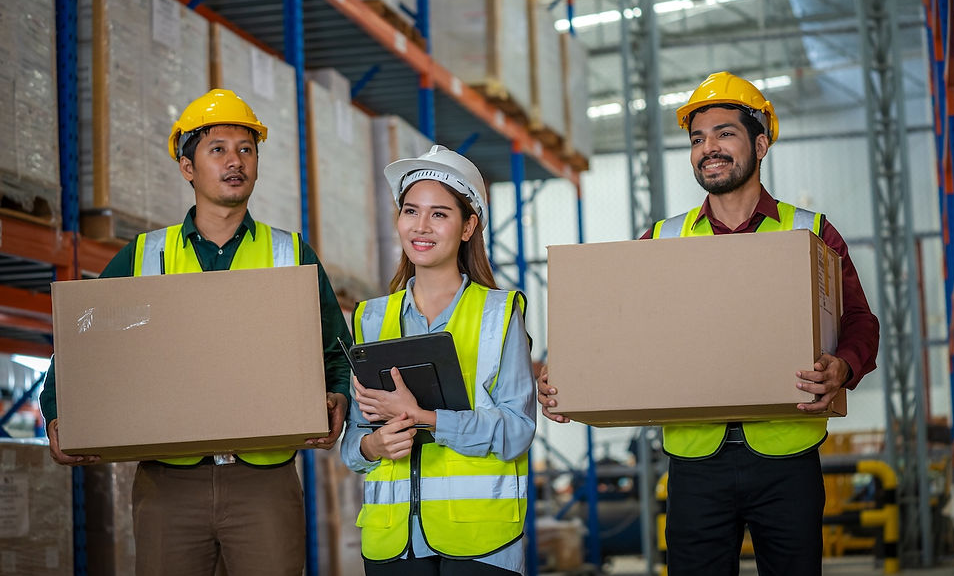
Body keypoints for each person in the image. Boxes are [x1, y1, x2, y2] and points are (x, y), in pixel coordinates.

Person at [537, 72, 880, 575]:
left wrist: (843, 368)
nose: (708, 148)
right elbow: (614, 329)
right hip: (697, 463)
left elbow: (859, 322)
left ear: (760, 144)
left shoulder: (809, 231)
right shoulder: (662, 239)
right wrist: (569, 378)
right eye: (697, 138)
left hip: (786, 458)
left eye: (724, 133)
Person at [39, 89, 352, 576]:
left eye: (246, 149)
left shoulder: (290, 253)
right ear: (188, 167)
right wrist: (59, 412)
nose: (235, 161)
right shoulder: (143, 256)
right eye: (217, 149)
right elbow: (83, 347)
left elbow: (335, 347)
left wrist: (337, 395)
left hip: (264, 481)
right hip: (170, 483)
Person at [341, 145, 535, 576]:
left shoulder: (499, 313)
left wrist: (426, 418)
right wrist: (372, 446)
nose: (421, 226)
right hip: (393, 541)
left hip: (481, 541)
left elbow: (517, 430)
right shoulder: (371, 317)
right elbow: (355, 442)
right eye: (411, 211)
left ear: (468, 227)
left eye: (440, 214)